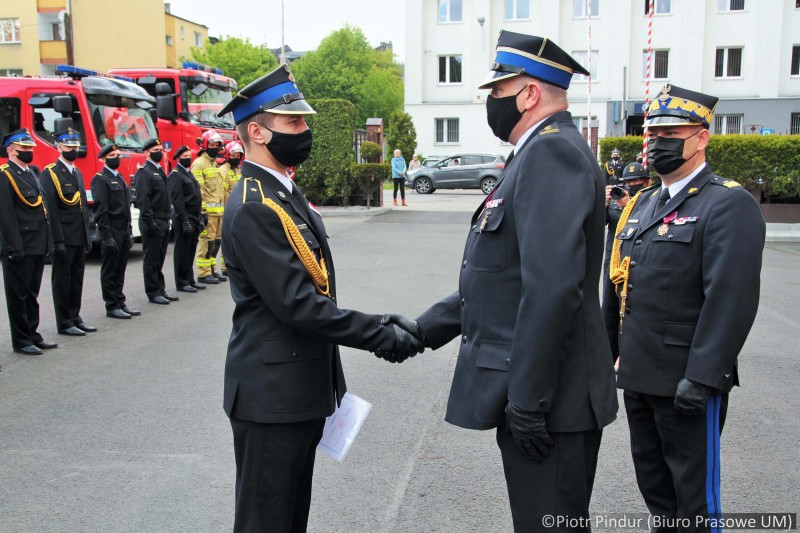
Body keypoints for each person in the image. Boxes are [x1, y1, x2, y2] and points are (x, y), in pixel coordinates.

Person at [385, 31, 618, 531]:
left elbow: (552, 289)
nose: (491, 101)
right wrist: (424, 329)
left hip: (551, 400)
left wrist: (528, 401)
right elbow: (501, 278)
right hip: (544, 394)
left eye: (497, 90)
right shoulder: (535, 154)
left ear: (529, 94)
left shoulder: (551, 154)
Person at [216, 64, 424, 533]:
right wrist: (379, 332)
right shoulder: (254, 204)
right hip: (271, 398)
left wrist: (379, 321)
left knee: (290, 519)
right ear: (257, 132)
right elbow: (298, 305)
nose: (304, 130)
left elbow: (315, 291)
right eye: (293, 122)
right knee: (266, 522)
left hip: (298, 391)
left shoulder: (282, 193)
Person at [606, 84, 765, 529]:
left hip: (687, 381)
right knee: (655, 488)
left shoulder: (726, 202)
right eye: (653, 133)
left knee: (694, 499)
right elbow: (617, 287)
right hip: (639, 374)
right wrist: (606, 356)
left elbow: (731, 298)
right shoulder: (641, 204)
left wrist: (703, 376)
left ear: (701, 138)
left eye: (671, 133)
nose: (658, 142)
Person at [0, 129, 58, 354]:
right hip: (20, 244)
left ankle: (33, 334)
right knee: (18, 295)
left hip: (36, 242)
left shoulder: (30, 173)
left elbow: (42, 211)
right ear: (11, 150)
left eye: (29, 147)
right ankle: (22, 340)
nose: (28, 151)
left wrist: (47, 242)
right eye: (23, 148)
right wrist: (14, 246)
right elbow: (6, 215)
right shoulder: (5, 175)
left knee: (32, 294)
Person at [40, 128, 95, 336]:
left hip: (78, 235)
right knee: (62, 280)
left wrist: (87, 235)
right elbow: (51, 210)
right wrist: (57, 241)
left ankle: (75, 316)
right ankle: (64, 322)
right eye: (69, 146)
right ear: (59, 147)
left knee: (76, 279)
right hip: (64, 236)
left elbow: (82, 209)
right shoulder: (51, 173)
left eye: (76, 146)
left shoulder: (76, 172)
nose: (73, 150)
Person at [91, 144, 139, 319]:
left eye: (118, 155)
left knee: (120, 269)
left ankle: (120, 301)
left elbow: (125, 206)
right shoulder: (100, 179)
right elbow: (101, 210)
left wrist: (129, 230)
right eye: (112, 156)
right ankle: (111, 305)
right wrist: (106, 235)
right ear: (103, 159)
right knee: (110, 270)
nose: (116, 158)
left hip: (123, 229)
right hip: (111, 229)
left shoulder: (119, 177)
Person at [133, 138, 177, 305]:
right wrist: (149, 221)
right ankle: (153, 291)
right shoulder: (144, 172)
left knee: (159, 257)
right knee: (151, 258)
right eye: (156, 150)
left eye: (160, 150)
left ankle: (160, 288)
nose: (159, 153)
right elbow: (143, 200)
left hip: (163, 219)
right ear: (147, 153)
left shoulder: (158, 170)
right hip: (153, 220)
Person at [193, 130, 226, 285]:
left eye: (217, 145)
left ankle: (212, 269)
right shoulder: (199, 163)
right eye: (212, 145)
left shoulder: (214, 163)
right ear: (205, 145)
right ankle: (203, 273)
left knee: (215, 243)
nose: (215, 148)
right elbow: (198, 191)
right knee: (206, 242)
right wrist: (202, 212)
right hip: (208, 213)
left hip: (218, 212)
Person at [168, 145, 203, 293]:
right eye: (185, 156)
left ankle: (189, 279)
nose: (188, 158)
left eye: (189, 156)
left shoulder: (188, 173)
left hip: (193, 216)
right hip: (184, 216)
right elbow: (177, 200)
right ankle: (182, 282)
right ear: (178, 158)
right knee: (182, 250)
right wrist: (184, 220)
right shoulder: (176, 174)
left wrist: (200, 217)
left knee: (191, 249)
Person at [218, 140, 244, 277]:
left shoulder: (238, 170)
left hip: (238, 210)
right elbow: (222, 193)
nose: (236, 158)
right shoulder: (223, 171)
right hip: (227, 210)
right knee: (227, 240)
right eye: (233, 156)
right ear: (228, 155)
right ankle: (225, 267)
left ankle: (234, 265)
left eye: (238, 156)